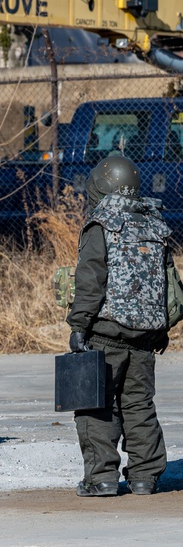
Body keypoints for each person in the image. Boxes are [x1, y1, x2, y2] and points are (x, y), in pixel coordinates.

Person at [67, 154, 171, 497]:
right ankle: (145, 477)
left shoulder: (102, 223)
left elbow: (91, 278)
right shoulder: (154, 224)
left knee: (97, 404)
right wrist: (162, 327)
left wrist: (79, 323)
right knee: (140, 405)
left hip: (105, 332)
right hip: (146, 335)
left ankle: (101, 478)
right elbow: (167, 282)